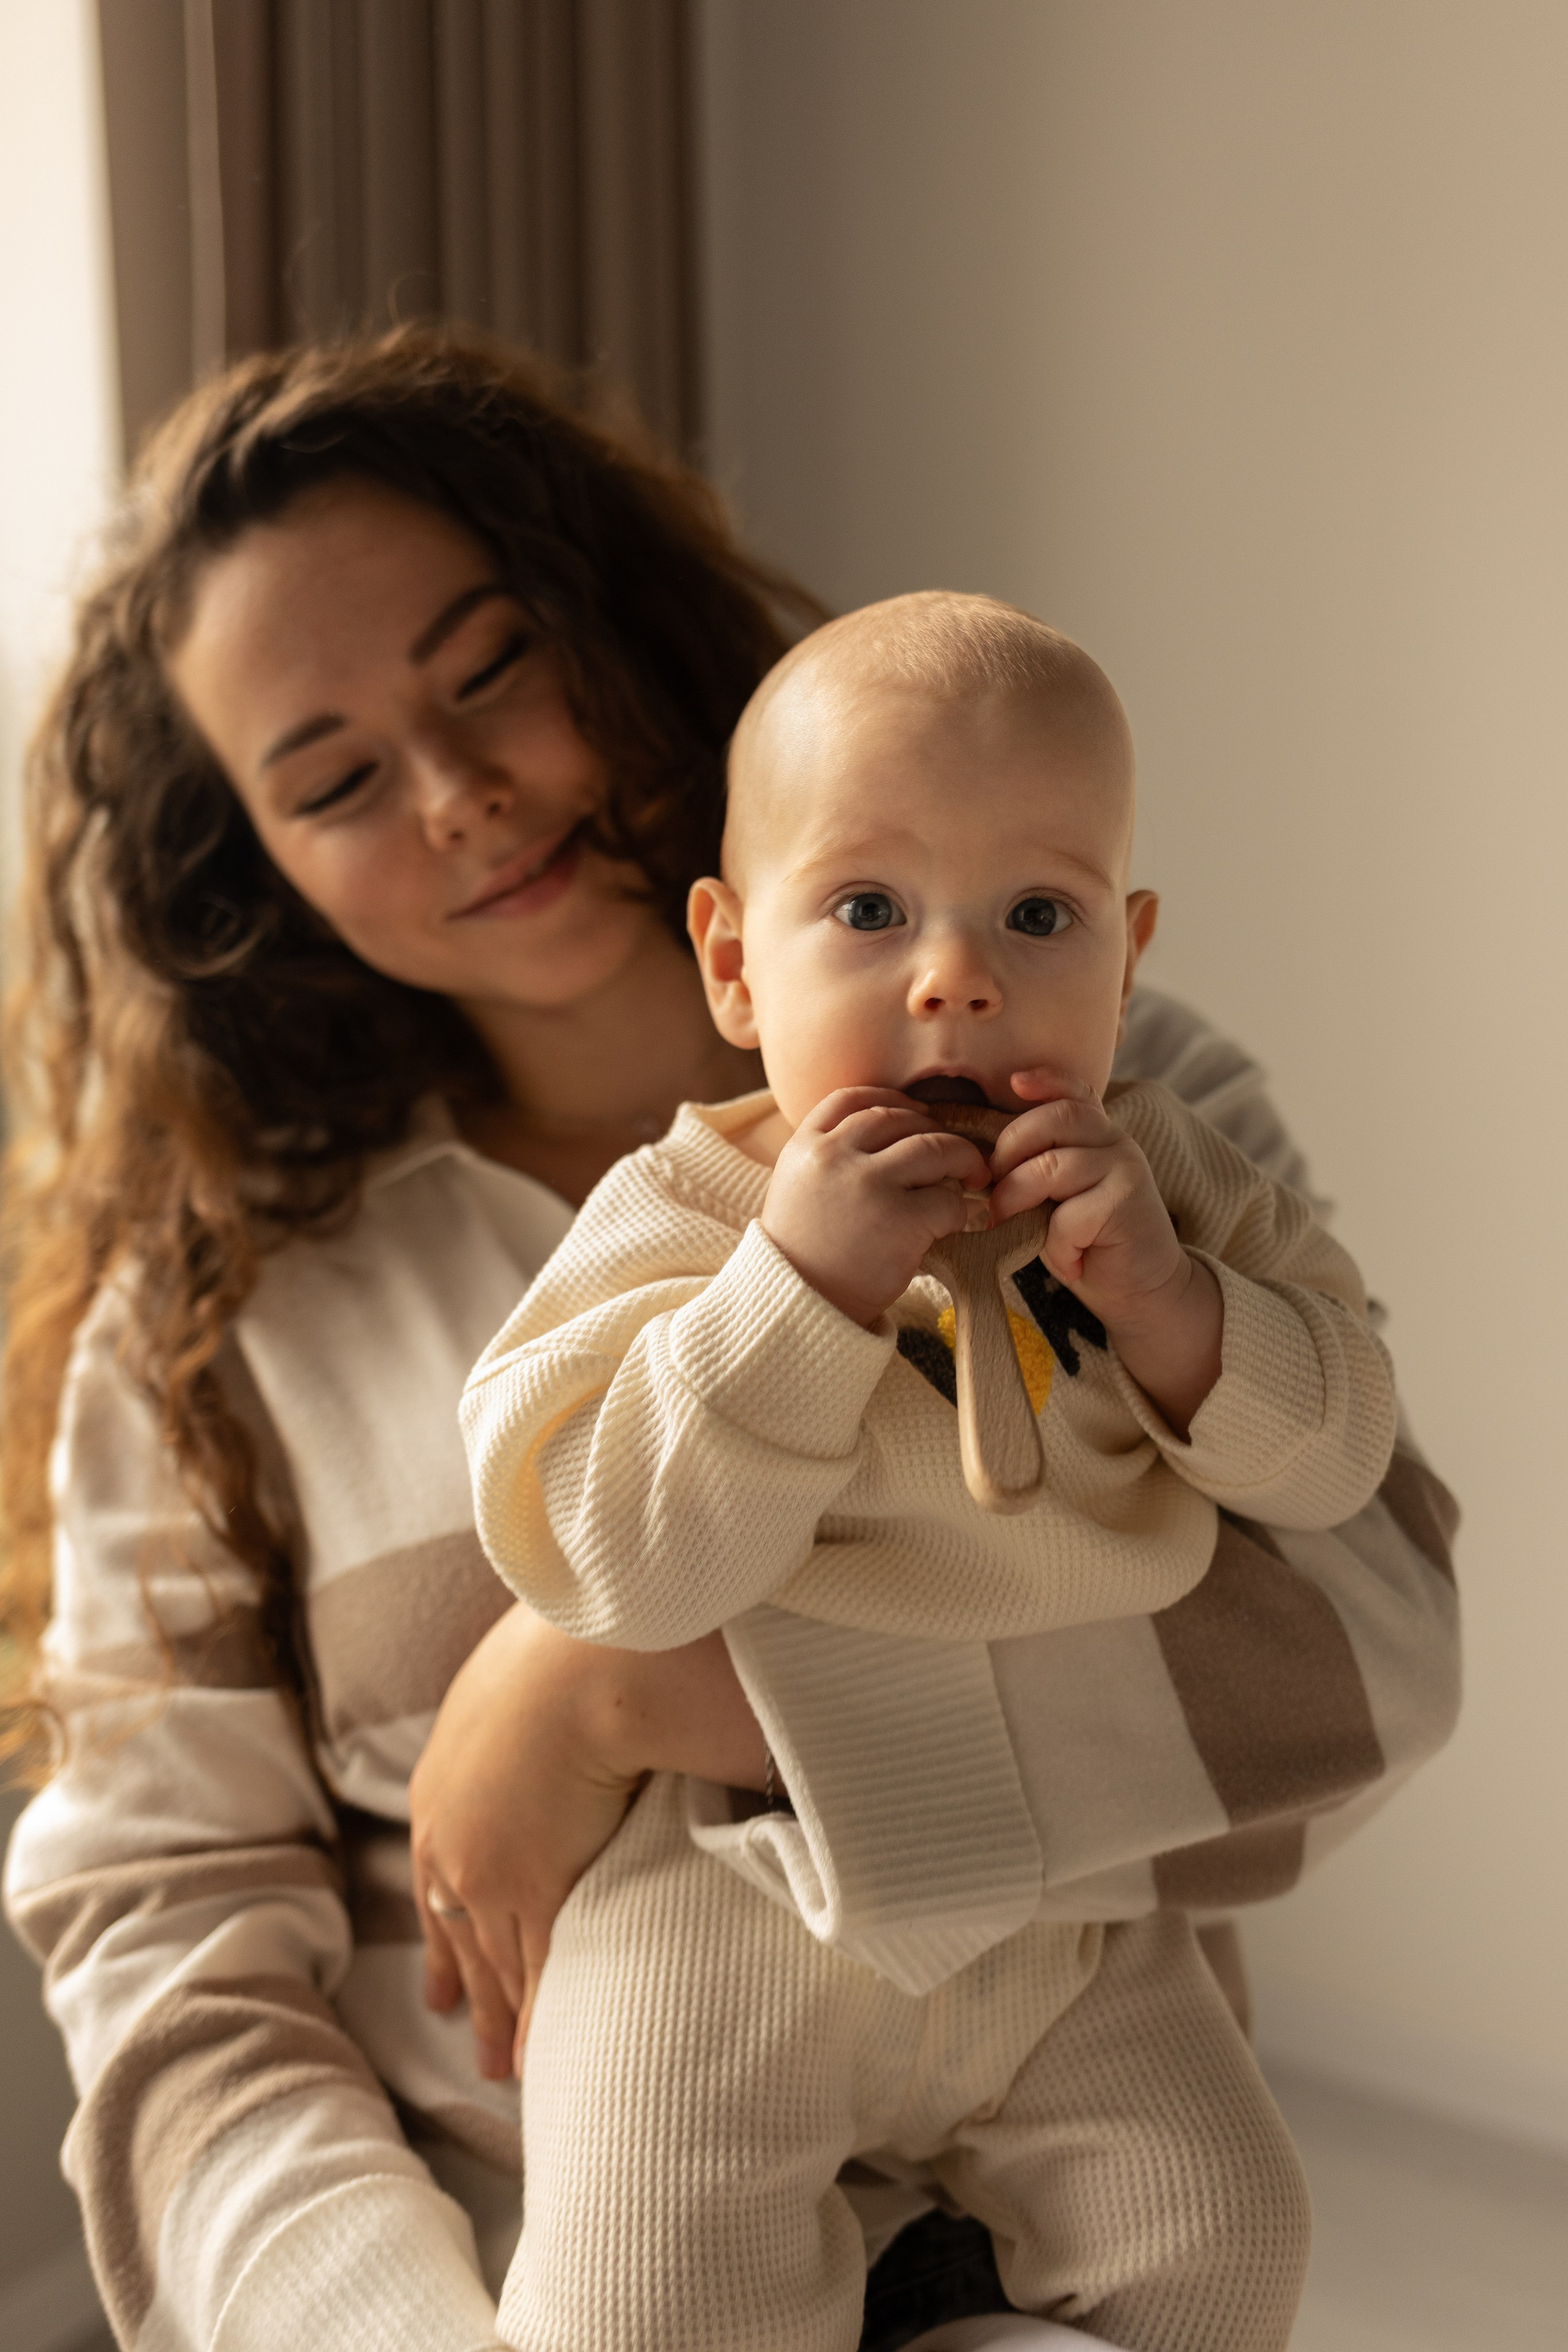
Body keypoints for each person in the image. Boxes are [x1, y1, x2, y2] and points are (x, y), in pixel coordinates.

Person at [0, 330, 1459, 2352]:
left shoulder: (1123, 1122)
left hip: (1046, 2176)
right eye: (333, 777)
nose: (456, 795)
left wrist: (608, 1689)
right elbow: (164, 1935)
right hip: (505, 2268)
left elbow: (1373, 1650)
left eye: (489, 665)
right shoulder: (220, 1309)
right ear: (250, 866)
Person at [458, 594, 1396, 2352]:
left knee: (1226, 2233)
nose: (953, 974)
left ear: (1126, 959)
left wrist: (1181, 1313)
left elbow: (1341, 1456)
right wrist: (794, 1294)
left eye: (1035, 915)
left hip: (1071, 1912)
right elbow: (602, 1563)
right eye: (868, 909)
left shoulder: (1172, 1189)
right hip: (721, 1906)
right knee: (631, 2306)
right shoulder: (684, 1218)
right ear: (736, 966)